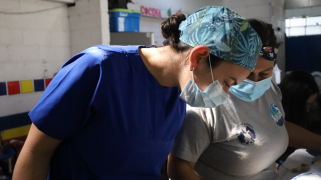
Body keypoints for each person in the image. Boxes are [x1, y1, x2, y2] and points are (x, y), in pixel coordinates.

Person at [13, 6, 263, 180]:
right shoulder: (99, 69)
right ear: (198, 57)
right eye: (228, 82)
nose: (226, 94)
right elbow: (36, 151)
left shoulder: (176, 95)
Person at [168, 19, 321, 180]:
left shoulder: (269, 88)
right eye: (247, 74)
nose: (255, 81)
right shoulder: (208, 104)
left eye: (265, 73)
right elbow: (178, 166)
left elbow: (276, 124)